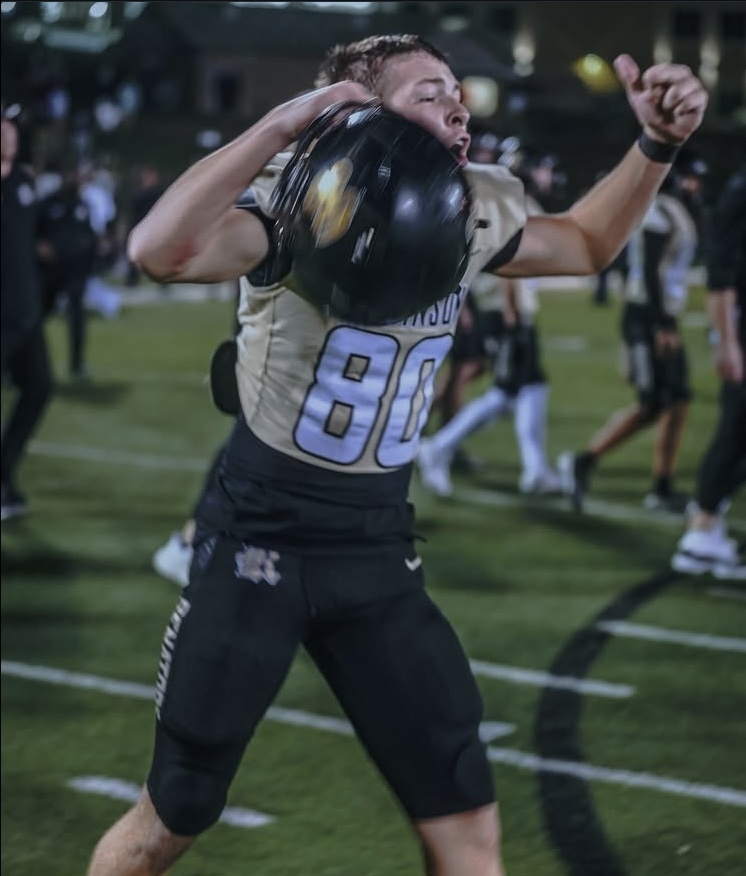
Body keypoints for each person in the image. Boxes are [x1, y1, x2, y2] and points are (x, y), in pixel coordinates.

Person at [85, 36, 707, 876]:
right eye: (428, 93)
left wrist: (656, 146)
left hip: (376, 548)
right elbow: (160, 250)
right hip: (256, 540)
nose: (457, 105)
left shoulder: (470, 206)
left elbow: (587, 245)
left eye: (457, 90)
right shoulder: (297, 203)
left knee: (467, 819)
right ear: (354, 110)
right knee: (175, 814)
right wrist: (284, 123)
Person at [557, 149, 709, 514]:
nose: (695, 184)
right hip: (648, 316)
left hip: (659, 315)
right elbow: (652, 271)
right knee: (653, 403)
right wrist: (661, 325)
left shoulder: (678, 209)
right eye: (689, 176)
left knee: (679, 399)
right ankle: (583, 461)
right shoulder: (660, 210)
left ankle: (662, 485)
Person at [417, 135, 565, 498]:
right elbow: (508, 262)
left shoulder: (513, 199)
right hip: (503, 310)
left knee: (530, 384)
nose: (548, 175)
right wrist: (513, 313)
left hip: (507, 309)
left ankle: (534, 468)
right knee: (506, 390)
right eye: (543, 168)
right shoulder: (513, 201)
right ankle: (438, 446)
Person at [671, 164, 746, 579]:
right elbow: (721, 279)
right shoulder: (740, 191)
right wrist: (728, 343)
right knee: (735, 429)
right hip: (742, 331)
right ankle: (702, 526)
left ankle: (706, 519)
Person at [1, 109, 55, 521]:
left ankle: (4, 472)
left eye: (11, 129)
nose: (9, 136)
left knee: (39, 387)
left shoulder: (23, 182)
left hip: (25, 312)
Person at [36, 162, 99, 379]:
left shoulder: (82, 205)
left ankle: (77, 364)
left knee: (76, 317)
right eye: (72, 174)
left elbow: (90, 236)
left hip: (75, 271)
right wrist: (40, 245)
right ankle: (17, 363)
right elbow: (31, 231)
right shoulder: (46, 203)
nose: (76, 179)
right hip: (49, 272)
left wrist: (92, 262)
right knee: (34, 318)